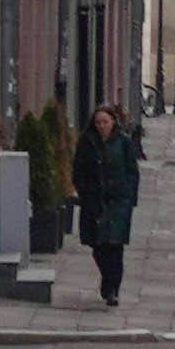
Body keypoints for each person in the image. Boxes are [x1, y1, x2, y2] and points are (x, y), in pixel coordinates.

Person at [77, 97, 143, 311]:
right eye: (98, 123)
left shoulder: (123, 142)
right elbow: (78, 171)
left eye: (105, 122)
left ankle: (113, 288)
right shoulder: (87, 142)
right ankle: (107, 278)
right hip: (94, 201)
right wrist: (85, 192)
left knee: (115, 245)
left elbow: (132, 171)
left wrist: (130, 196)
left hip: (118, 202)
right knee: (98, 245)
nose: (102, 127)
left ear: (113, 122)